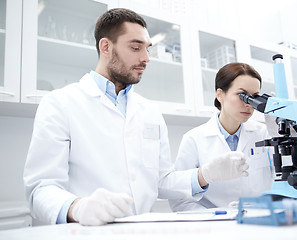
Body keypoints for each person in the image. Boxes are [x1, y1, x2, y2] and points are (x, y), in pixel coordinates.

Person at [23, 8, 249, 226]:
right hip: (84, 231)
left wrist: (204, 175)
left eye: (147, 48)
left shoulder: (149, 111)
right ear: (106, 47)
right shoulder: (60, 103)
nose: (146, 58)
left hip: (139, 229)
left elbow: (160, 181)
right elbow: (41, 189)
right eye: (135, 48)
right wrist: (78, 208)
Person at [169, 63, 274, 211]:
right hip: (215, 227)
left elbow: (288, 181)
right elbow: (179, 199)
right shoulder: (193, 139)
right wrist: (217, 219)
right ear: (220, 95)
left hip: (260, 219)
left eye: (254, 97)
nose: (249, 104)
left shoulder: (265, 133)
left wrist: (282, 133)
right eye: (242, 95)